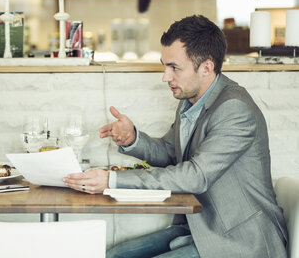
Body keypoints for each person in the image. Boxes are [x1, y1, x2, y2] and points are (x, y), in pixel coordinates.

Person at [63, 15, 288, 258]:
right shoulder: (191, 99)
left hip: (240, 241)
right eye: (164, 65)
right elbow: (171, 152)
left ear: (207, 67)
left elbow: (195, 176)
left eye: (174, 68)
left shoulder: (234, 109)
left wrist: (111, 181)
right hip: (197, 229)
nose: (165, 77)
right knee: (114, 255)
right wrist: (133, 139)